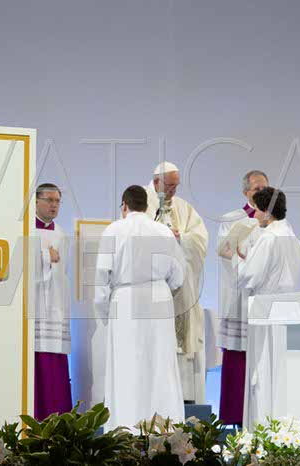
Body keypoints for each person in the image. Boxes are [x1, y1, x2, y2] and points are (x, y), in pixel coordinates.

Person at [95, 185, 186, 431]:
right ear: (147, 206)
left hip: (125, 301)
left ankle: (125, 430)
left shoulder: (113, 230)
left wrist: (105, 315)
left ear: (124, 205)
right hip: (159, 298)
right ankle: (165, 430)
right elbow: (178, 275)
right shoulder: (163, 232)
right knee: (160, 364)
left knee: (127, 367)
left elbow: (101, 279)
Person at [236, 187, 300, 427]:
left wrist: (243, 261)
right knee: (280, 368)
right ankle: (282, 425)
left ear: (267, 211)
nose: (254, 214)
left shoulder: (268, 238)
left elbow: (249, 277)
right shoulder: (293, 238)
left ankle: (263, 426)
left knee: (263, 369)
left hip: (265, 306)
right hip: (288, 308)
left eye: (256, 209)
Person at [144, 162, 208, 403]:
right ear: (156, 182)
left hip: (181, 289)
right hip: (153, 288)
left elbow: (200, 239)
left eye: (176, 186)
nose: (173, 190)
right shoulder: (142, 205)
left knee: (180, 342)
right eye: (169, 185)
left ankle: (184, 397)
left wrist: (182, 239)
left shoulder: (183, 207)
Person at [216, 170, 268, 425]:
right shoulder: (232, 220)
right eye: (257, 189)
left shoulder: (273, 221)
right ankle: (236, 417)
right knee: (238, 359)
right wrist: (250, 267)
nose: (262, 193)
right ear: (246, 192)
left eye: (265, 189)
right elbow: (227, 255)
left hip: (263, 296)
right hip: (240, 297)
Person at [34, 183, 72, 419]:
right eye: (49, 200)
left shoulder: (61, 234)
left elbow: (63, 272)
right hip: (35, 306)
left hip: (55, 305)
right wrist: (45, 256)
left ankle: (60, 419)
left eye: (57, 201)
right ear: (36, 202)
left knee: (56, 361)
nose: (54, 205)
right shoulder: (26, 231)